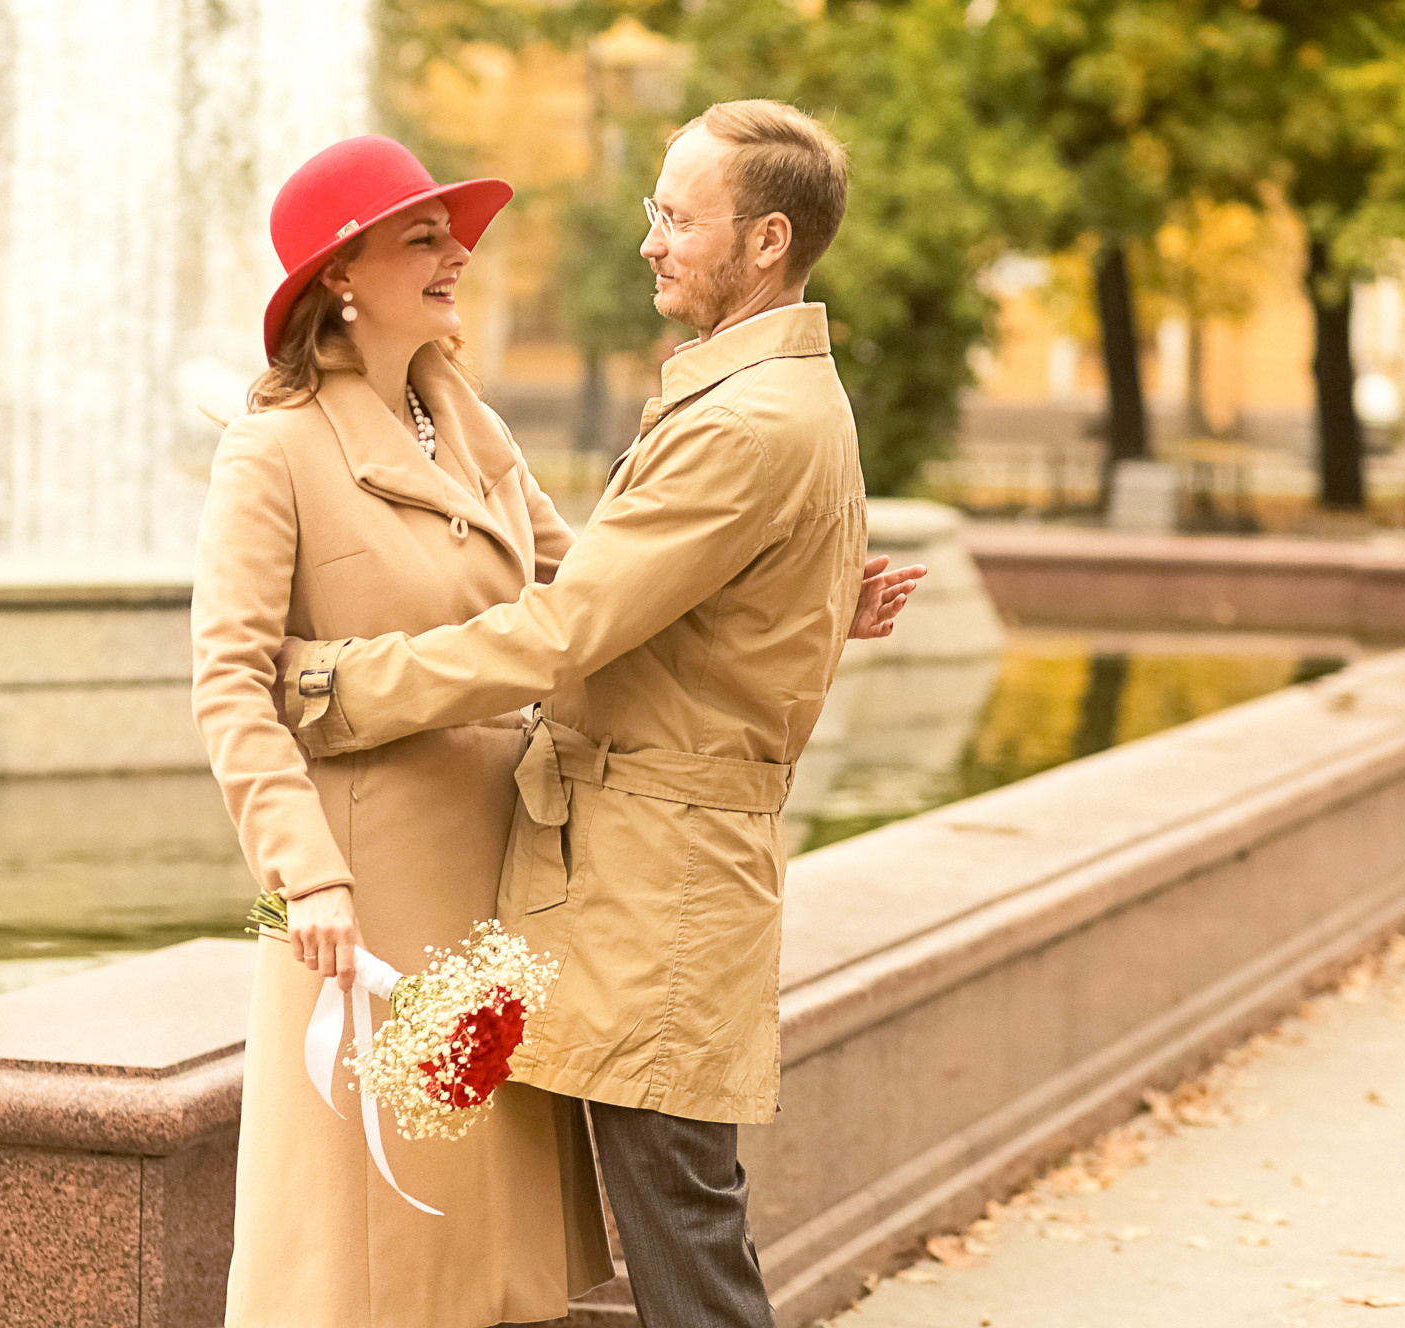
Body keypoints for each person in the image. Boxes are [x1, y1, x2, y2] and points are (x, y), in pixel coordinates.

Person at [281, 100, 910, 1328]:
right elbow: (647, 588)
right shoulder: (767, 398)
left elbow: (567, 630)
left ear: (769, 240)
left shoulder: (741, 420)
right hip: (646, 868)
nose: (650, 241)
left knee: (683, 1234)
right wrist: (806, 611)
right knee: (679, 1213)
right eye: (653, 211)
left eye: (677, 216)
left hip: (655, 880)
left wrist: (343, 688)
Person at [191, 134, 614, 1328]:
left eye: (453, 230)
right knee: (368, 1229)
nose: (456, 252)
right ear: (341, 272)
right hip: (363, 886)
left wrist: (791, 612)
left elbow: (585, 591)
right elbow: (231, 685)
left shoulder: (468, 421)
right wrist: (306, 876)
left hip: (496, 866)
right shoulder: (271, 448)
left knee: (480, 1209)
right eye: (421, 235)